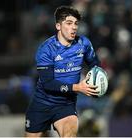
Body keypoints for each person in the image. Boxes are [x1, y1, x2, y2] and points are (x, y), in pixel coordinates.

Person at [25, 6, 100, 137]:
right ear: (58, 26)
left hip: (66, 104)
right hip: (42, 104)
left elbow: (94, 63)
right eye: (69, 23)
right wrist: (78, 87)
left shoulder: (84, 44)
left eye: (76, 23)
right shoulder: (46, 49)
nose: (74, 27)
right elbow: (48, 84)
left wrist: (95, 76)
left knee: (70, 133)